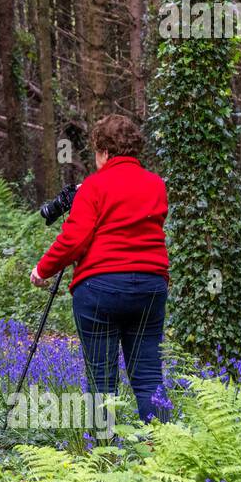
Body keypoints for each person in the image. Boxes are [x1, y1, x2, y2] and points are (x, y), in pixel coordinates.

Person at [29, 115, 170, 422]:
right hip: (150, 287)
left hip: (100, 289)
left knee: (102, 382)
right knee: (148, 377)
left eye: (95, 152)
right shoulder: (157, 186)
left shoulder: (93, 186)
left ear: (105, 151)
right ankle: (165, 452)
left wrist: (43, 269)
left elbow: (74, 239)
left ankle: (104, 456)